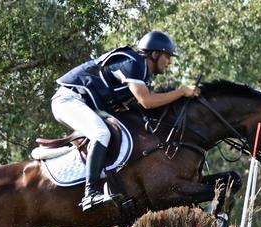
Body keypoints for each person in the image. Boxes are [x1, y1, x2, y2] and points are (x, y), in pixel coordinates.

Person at [51, 31, 200, 211]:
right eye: (167, 56)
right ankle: (90, 194)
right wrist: (182, 92)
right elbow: (147, 101)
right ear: (154, 54)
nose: (169, 62)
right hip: (68, 100)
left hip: (85, 105)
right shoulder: (133, 62)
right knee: (101, 132)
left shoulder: (142, 72)